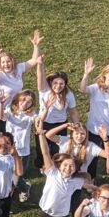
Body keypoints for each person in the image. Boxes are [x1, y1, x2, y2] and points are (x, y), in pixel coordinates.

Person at [0, 37, 41, 152]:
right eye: (3, 62)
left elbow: (33, 61)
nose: (6, 64)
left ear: (12, 61)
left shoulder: (18, 68)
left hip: (13, 108)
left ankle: (10, 154)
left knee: (9, 133)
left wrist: (36, 46)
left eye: (8, 61)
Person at [45, 122, 104, 217]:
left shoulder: (90, 146)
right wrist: (64, 126)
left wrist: (105, 140)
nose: (79, 136)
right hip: (61, 178)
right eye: (76, 133)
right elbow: (48, 135)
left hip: (77, 180)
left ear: (86, 135)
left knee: (75, 205)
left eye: (82, 134)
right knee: (58, 201)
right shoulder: (65, 140)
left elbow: (106, 154)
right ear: (72, 133)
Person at [34, 38, 79, 168]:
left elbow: (73, 112)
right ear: (51, 83)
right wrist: (40, 64)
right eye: (55, 83)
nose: (58, 86)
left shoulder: (68, 95)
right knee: (41, 147)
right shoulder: (44, 90)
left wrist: (77, 125)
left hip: (60, 125)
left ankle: (57, 166)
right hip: (43, 122)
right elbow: (40, 77)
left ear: (65, 84)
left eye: (61, 83)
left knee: (57, 149)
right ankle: (42, 167)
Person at [0, 89, 37, 202]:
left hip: (22, 152)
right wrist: (1, 104)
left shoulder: (31, 115)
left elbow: (38, 120)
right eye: (23, 100)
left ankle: (23, 189)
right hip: (7, 149)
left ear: (32, 104)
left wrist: (45, 110)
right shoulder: (10, 111)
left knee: (16, 178)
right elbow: (1, 117)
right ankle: (12, 192)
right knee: (7, 173)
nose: (25, 103)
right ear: (18, 99)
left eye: (29, 102)